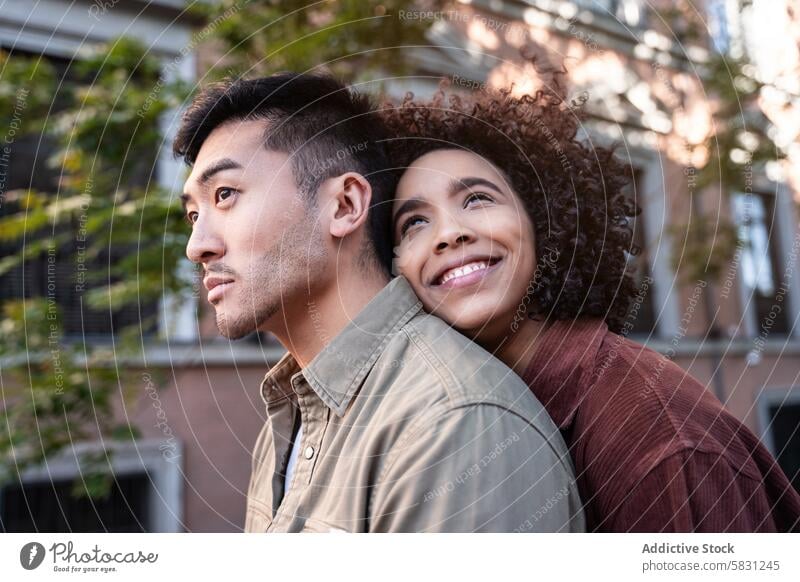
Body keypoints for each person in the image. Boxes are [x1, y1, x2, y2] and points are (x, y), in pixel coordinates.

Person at [173, 73, 585, 532]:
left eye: (225, 194)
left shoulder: (454, 425)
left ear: (345, 205)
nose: (197, 246)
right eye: (193, 214)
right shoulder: (289, 416)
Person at [381, 83, 800, 532]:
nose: (450, 233)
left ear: (544, 222)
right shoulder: (474, 414)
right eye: (415, 222)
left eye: (478, 199)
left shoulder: (662, 444)